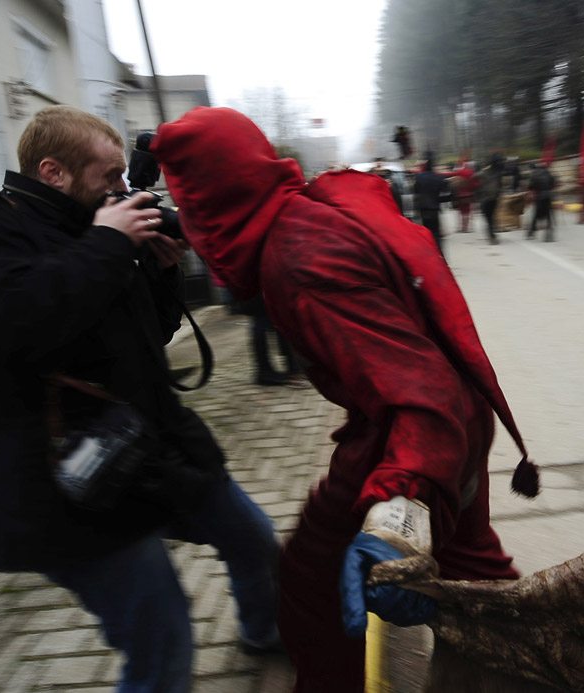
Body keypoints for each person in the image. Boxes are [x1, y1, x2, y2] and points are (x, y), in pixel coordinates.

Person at [150, 107, 539, 693]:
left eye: (188, 202)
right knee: (476, 573)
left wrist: (400, 506)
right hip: (460, 420)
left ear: (209, 200)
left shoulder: (298, 258)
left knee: (313, 581)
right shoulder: (310, 214)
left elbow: (420, 391)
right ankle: (550, 656)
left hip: (413, 437)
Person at [0, 106, 281, 692]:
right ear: (53, 172)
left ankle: (267, 631)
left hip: (156, 443)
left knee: (255, 540)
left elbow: (145, 337)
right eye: (109, 175)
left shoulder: (92, 229)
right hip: (72, 477)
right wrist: (109, 243)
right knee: (161, 637)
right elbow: (10, 328)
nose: (121, 188)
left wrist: (158, 272)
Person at [413, 154, 452, 256]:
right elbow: (449, 193)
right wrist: (440, 200)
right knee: (436, 233)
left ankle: (429, 254)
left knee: (426, 232)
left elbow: (415, 192)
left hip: (423, 208)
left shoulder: (419, 177)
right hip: (434, 208)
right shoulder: (439, 178)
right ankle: (439, 254)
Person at [475, 153, 505, 245]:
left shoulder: (485, 172)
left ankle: (491, 237)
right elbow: (500, 185)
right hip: (494, 198)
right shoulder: (499, 173)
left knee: (488, 218)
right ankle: (492, 235)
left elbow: (475, 176)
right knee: (491, 217)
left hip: (485, 198)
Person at [526, 160, 556, 241]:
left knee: (536, 214)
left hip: (539, 196)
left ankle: (531, 231)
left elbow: (531, 186)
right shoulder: (548, 173)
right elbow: (553, 184)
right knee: (548, 215)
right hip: (548, 195)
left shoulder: (534, 174)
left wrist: (531, 192)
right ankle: (549, 234)